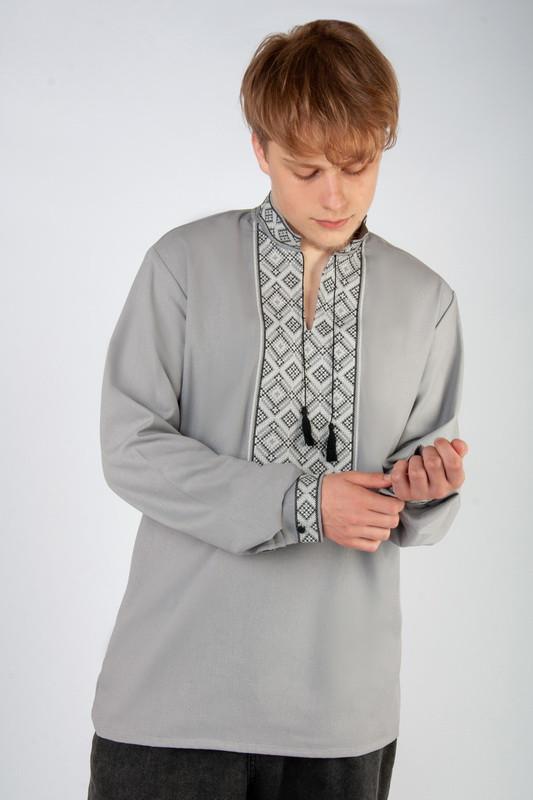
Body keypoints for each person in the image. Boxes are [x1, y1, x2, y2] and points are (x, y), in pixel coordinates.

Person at [87, 18, 468, 800]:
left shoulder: (425, 301)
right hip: (171, 704)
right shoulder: (182, 266)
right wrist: (301, 501)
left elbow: (418, 500)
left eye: (358, 166)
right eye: (306, 169)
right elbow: (130, 449)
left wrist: (425, 489)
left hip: (339, 717)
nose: (335, 195)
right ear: (260, 151)